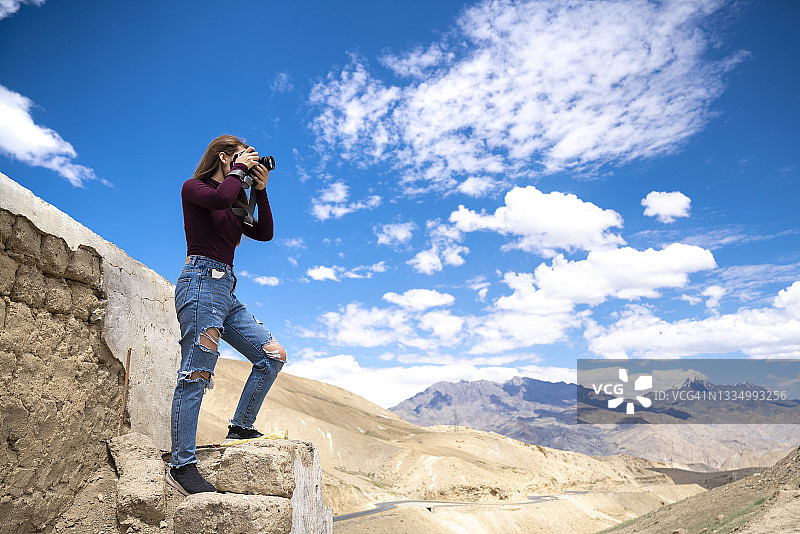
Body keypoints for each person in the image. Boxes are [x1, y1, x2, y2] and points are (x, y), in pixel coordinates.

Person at [166, 134, 287, 495]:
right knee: (196, 373)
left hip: (225, 290)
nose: (249, 162)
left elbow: (264, 232)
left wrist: (260, 190)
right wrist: (239, 170)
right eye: (241, 156)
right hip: (200, 281)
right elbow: (217, 197)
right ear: (223, 158)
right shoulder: (195, 189)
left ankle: (240, 426)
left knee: (272, 357)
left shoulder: (234, 201)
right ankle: (182, 465)